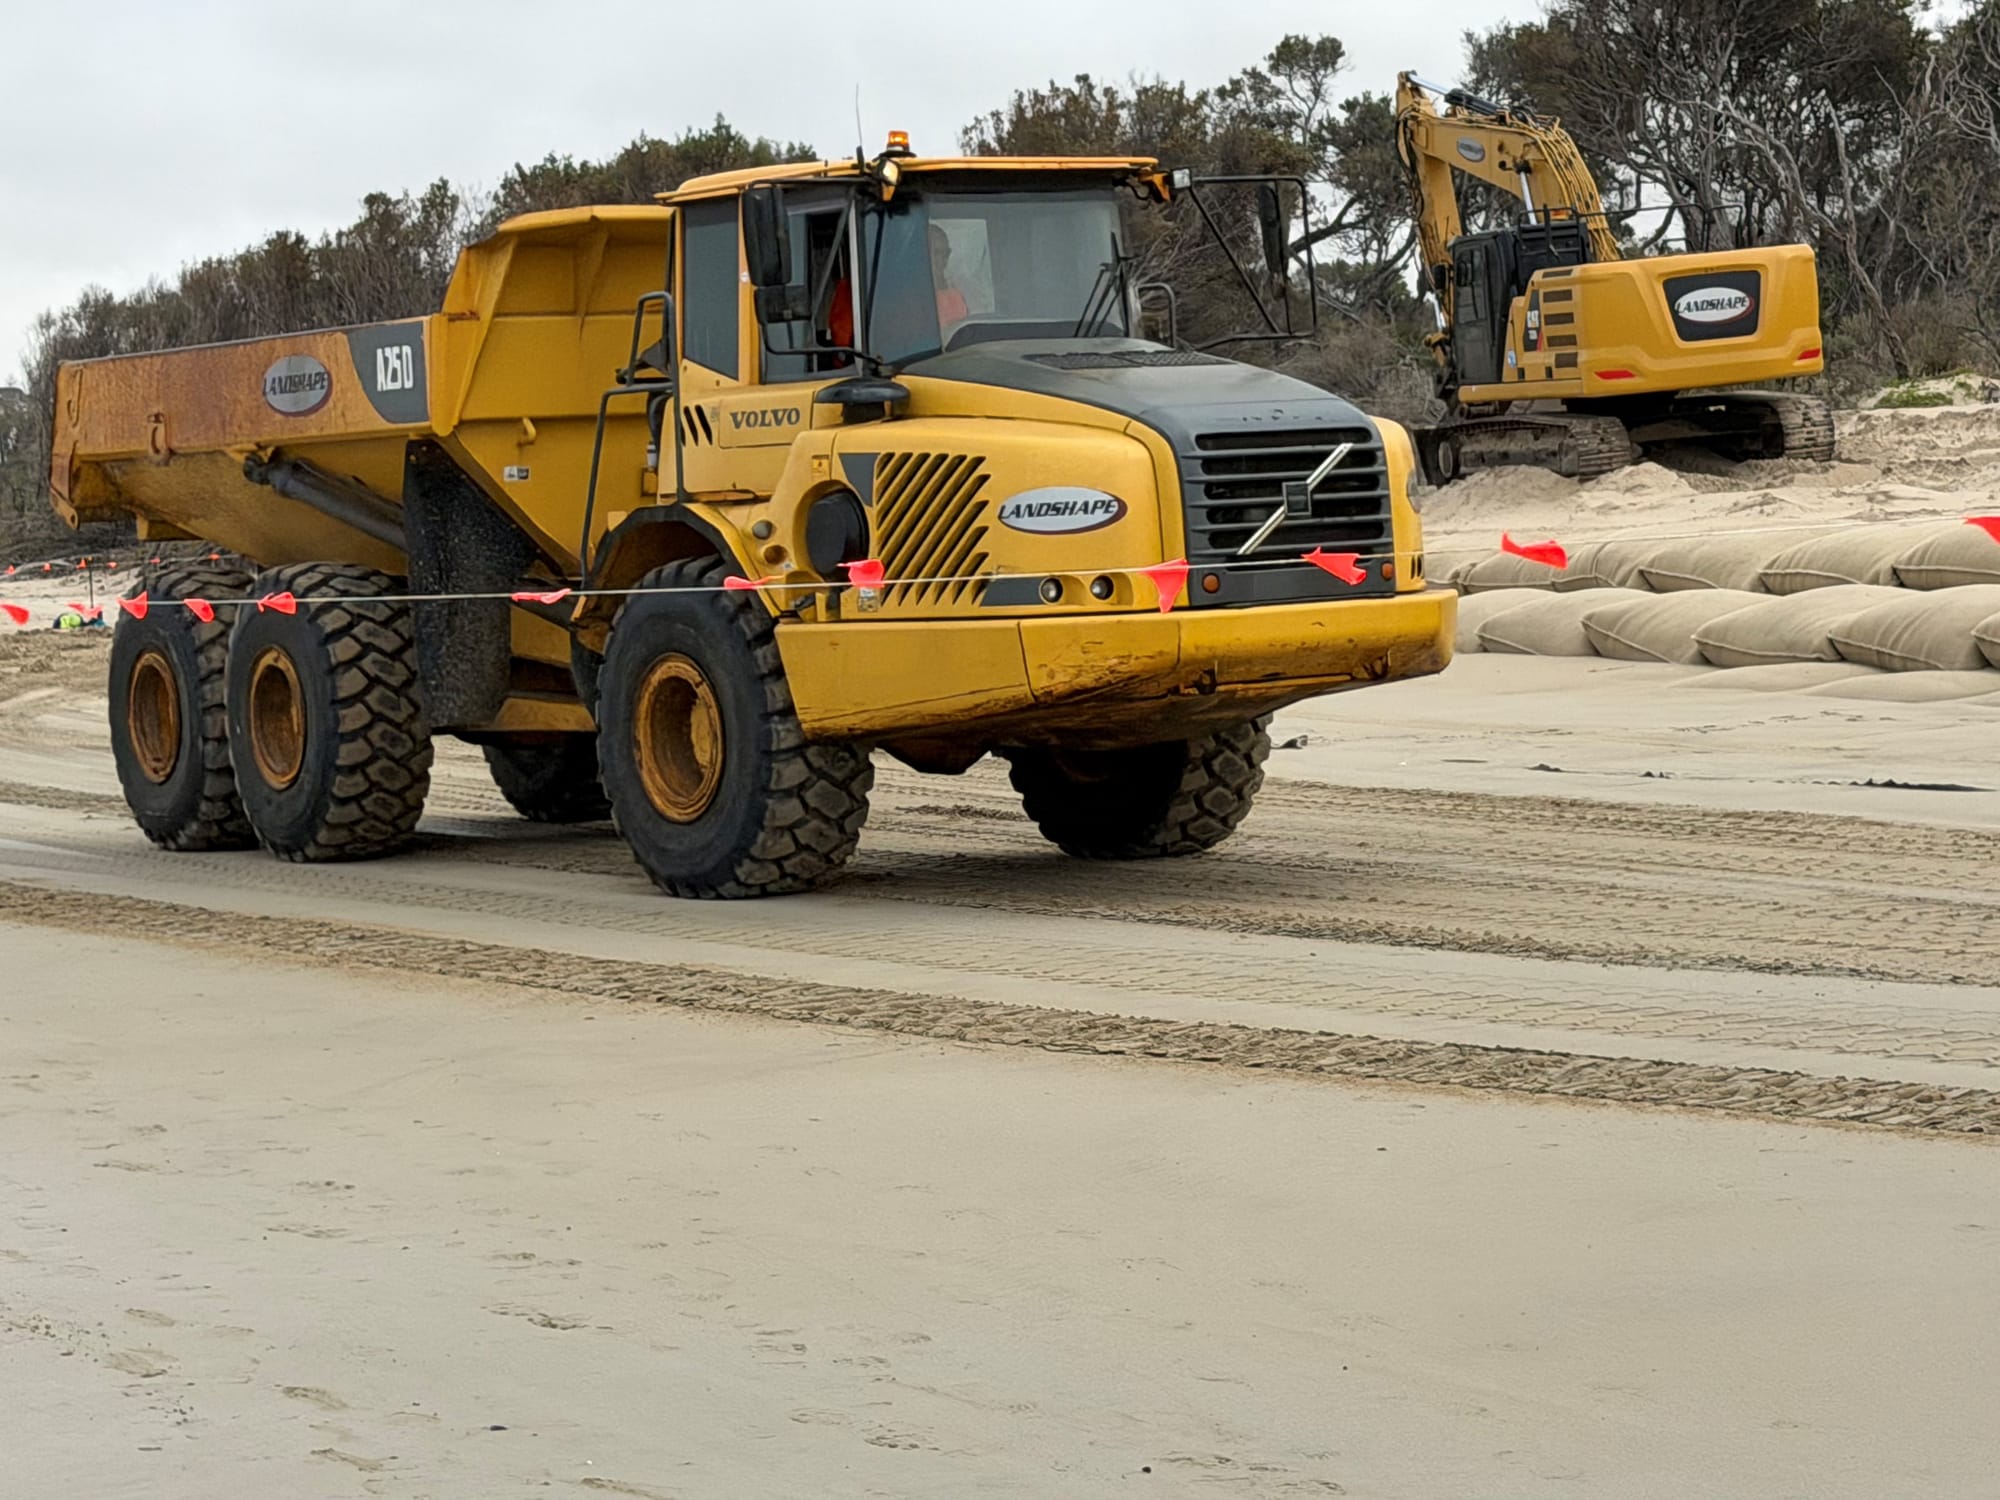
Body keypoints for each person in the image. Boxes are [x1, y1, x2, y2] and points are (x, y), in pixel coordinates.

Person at [929, 224, 970, 333]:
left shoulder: (957, 297)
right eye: (936, 252)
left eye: (945, 254)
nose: (941, 260)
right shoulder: (908, 300)